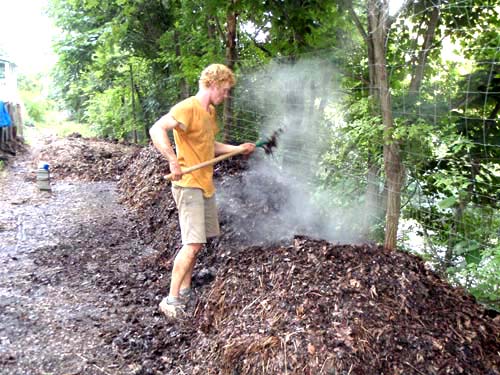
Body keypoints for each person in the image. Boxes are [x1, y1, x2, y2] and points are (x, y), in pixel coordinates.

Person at [149, 64, 256, 318]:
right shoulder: (188, 108)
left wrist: (237, 148)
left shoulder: (209, 113)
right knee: (193, 243)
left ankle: (185, 291)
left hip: (204, 184)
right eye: (226, 90)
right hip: (188, 185)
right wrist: (172, 160)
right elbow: (157, 129)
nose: (226, 95)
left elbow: (211, 145)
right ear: (214, 84)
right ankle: (171, 299)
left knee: (197, 243)